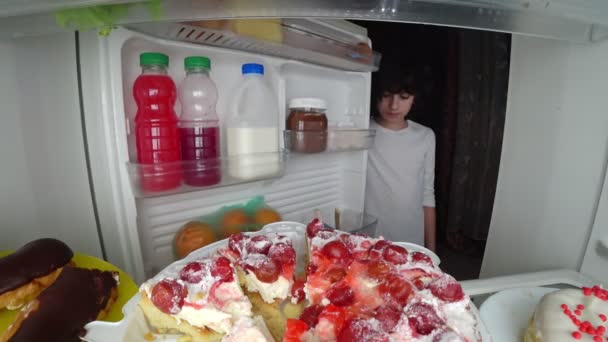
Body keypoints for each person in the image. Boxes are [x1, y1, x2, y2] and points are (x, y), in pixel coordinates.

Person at [364, 70, 437, 251]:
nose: (394, 106)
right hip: (371, 237)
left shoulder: (426, 135)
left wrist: (431, 251)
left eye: (404, 97)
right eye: (386, 96)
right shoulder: (362, 131)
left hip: (412, 235)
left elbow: (427, 196)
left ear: (414, 98)